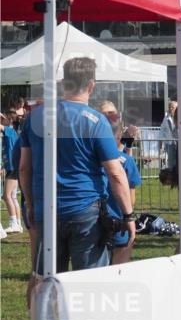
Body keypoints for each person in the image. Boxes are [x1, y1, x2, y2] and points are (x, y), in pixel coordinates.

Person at [19, 57, 135, 272]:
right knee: (90, 281)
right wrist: (128, 215)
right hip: (85, 210)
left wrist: (29, 204)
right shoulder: (96, 121)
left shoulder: (35, 117)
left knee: (49, 281)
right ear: (91, 85)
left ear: (64, 82)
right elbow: (115, 173)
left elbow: (24, 168)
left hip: (47, 208)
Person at [96, 101, 142, 265]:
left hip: (113, 219)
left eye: (112, 114)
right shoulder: (123, 160)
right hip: (104, 219)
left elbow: (119, 153)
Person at [2, 113, 23, 234]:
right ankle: (18, 224)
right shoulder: (10, 133)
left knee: (6, 196)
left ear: (9, 120)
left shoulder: (10, 131)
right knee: (13, 197)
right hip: (12, 166)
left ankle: (13, 223)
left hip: (13, 167)